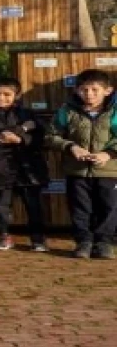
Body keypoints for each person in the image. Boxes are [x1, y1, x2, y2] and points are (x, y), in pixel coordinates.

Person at [44, 68, 117, 259]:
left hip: (109, 172)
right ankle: (83, 242)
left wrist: (108, 154)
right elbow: (51, 136)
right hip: (77, 171)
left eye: (95, 90)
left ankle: (104, 243)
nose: (89, 94)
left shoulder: (114, 112)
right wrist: (70, 147)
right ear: (77, 90)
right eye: (84, 90)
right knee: (80, 208)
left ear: (107, 90)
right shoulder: (66, 111)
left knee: (108, 208)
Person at [0, 79, 49, 252]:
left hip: (28, 167)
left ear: (17, 96)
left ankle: (38, 239)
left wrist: (21, 139)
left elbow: (41, 138)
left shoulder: (27, 114)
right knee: (1, 206)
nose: (1, 98)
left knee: (33, 205)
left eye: (7, 94)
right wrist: (8, 134)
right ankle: (3, 235)